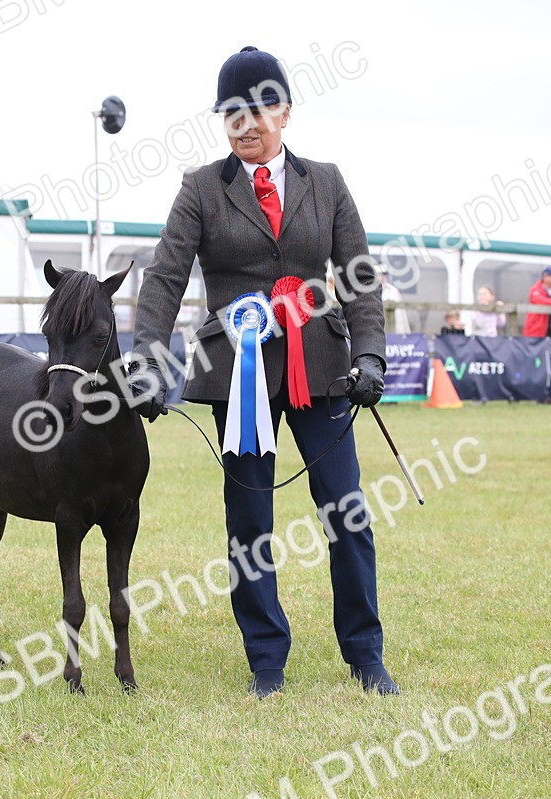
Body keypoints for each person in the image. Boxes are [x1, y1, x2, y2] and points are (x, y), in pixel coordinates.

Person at [129, 46, 398, 698]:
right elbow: (166, 279)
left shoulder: (327, 182)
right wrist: (144, 360)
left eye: (254, 110)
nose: (242, 125)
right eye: (229, 114)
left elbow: (359, 278)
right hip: (237, 375)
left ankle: (365, 653)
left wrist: (369, 355)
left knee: (347, 511)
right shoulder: (201, 188)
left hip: (324, 367)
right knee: (249, 522)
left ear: (283, 110)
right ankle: (266, 661)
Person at [378, 261, 411, 334]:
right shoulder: (369, 292)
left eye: (383, 274)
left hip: (393, 334)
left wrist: (405, 334)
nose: (381, 276)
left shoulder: (393, 291)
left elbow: (402, 316)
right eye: (379, 274)